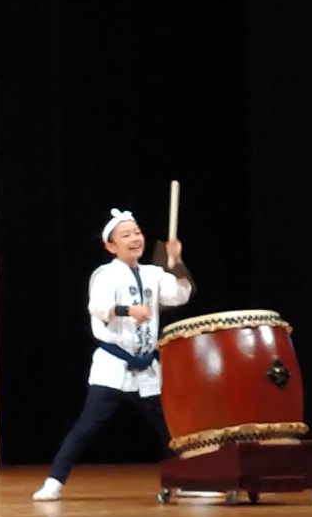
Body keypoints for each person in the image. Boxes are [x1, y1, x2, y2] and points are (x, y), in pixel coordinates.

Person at [32, 208, 195, 501]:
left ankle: (185, 481)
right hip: (114, 365)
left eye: (137, 232)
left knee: (168, 428)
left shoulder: (153, 274)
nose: (135, 238)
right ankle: (54, 482)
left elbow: (180, 295)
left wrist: (177, 261)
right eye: (126, 235)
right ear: (111, 246)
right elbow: (96, 307)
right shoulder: (106, 274)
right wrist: (127, 310)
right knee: (87, 425)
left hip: (146, 368)